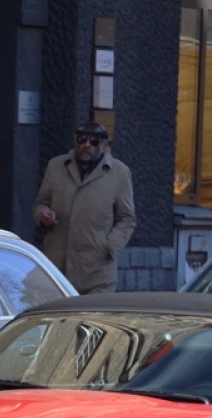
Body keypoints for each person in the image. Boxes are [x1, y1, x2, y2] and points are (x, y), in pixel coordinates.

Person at [33, 121, 137, 294]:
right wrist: (43, 215)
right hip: (57, 270)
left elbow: (127, 218)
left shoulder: (119, 173)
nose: (87, 145)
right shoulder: (56, 166)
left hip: (97, 274)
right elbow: (40, 203)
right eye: (82, 140)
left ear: (104, 145)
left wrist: (109, 246)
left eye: (94, 142)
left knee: (91, 320)